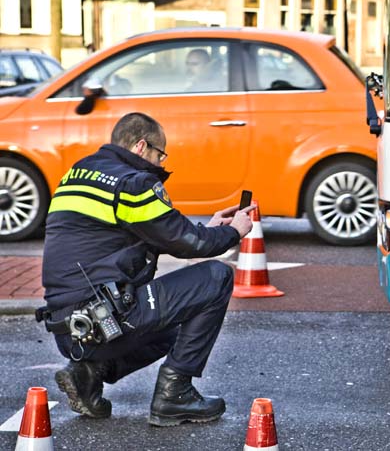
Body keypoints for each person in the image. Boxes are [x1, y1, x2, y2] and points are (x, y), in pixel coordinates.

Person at [39, 112, 255, 427]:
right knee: (216, 277)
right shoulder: (133, 182)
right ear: (141, 146)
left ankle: (88, 373)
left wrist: (205, 228)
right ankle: (174, 394)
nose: (159, 162)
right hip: (103, 317)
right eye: (159, 154)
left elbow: (148, 234)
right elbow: (186, 242)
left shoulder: (78, 174)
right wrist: (233, 231)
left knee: (175, 322)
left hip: (69, 328)